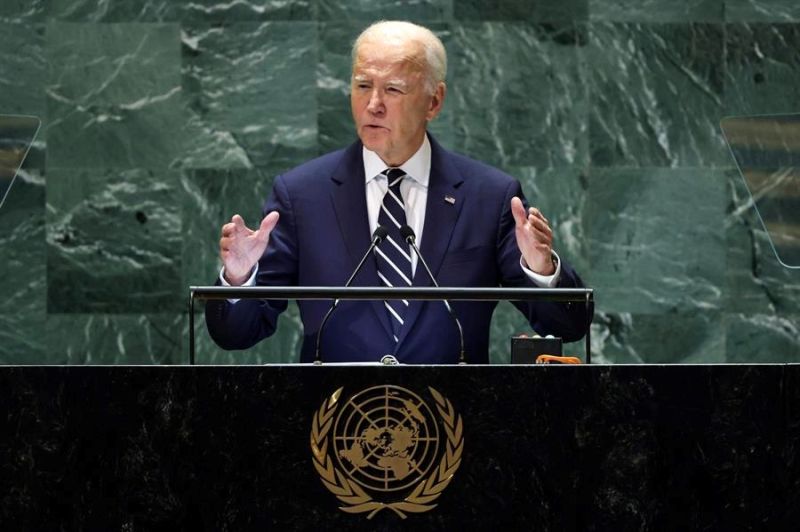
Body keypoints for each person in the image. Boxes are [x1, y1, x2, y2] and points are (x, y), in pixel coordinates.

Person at [205, 21, 591, 363]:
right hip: (333, 422)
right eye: (362, 86)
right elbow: (237, 334)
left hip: (453, 424)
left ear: (434, 101)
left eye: (392, 89)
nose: (373, 105)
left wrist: (542, 271)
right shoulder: (303, 194)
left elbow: (569, 325)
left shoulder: (489, 197)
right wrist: (239, 279)